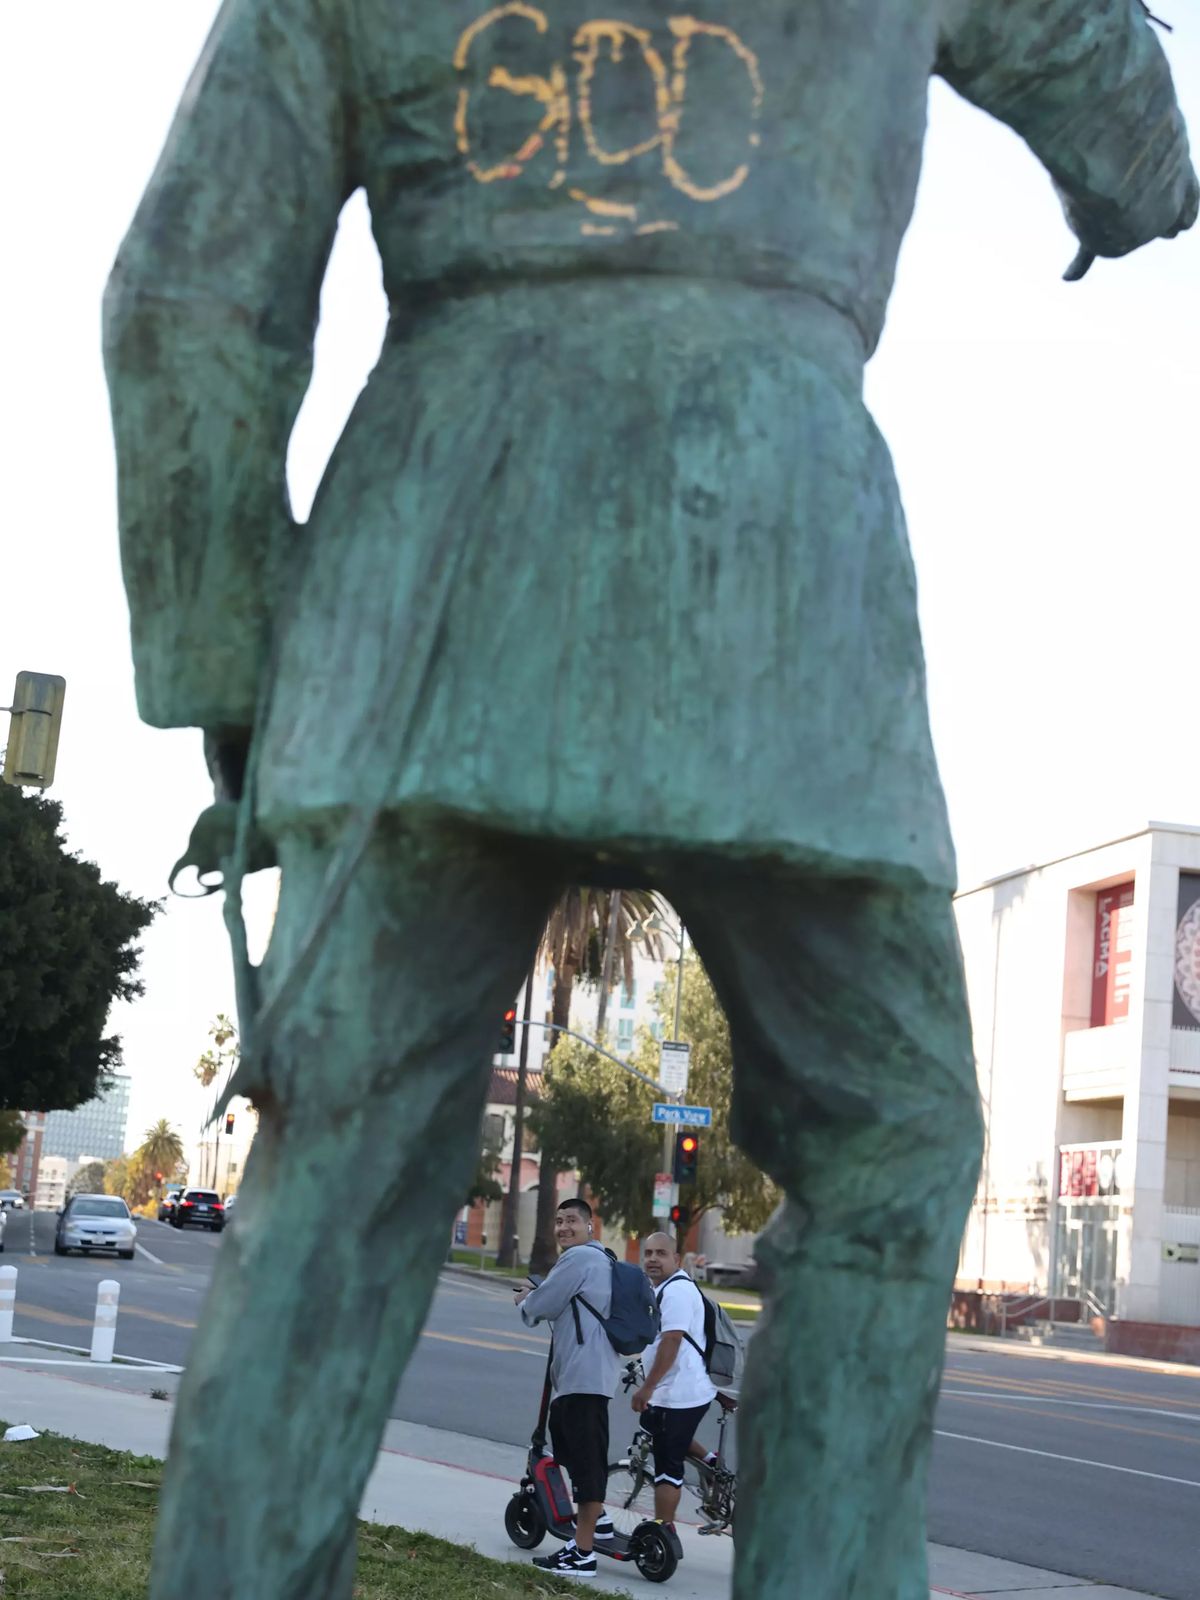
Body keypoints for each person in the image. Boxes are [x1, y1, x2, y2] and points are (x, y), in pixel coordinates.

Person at [104, 0, 1196, 1594]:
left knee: (333, 1179)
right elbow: (1133, 139)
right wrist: (1127, 183)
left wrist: (238, 676)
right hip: (782, 601)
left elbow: (187, 302)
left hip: (429, 597)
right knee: (890, 1143)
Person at [514, 1197, 619, 1576]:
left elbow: (545, 1302)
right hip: (585, 1377)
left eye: (571, 1220)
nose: (563, 1228)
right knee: (569, 1444)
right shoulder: (601, 1258)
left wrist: (526, 1301)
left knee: (588, 1466)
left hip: (584, 1380)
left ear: (590, 1225)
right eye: (558, 1221)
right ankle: (599, 1521)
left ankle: (583, 1554)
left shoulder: (578, 1259)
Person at [633, 1232, 719, 1533]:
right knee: (661, 1430)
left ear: (676, 1259)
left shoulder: (677, 1292)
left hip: (682, 1393)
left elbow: (672, 1340)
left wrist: (647, 1387)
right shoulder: (663, 1288)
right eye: (648, 1253)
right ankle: (712, 1464)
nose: (653, 1259)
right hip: (674, 1391)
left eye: (661, 1253)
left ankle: (663, 1531)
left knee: (668, 1466)